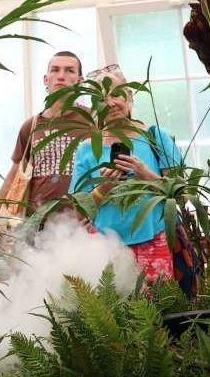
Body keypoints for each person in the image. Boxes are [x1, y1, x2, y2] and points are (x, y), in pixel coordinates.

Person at [70, 65, 182, 282]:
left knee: (156, 310)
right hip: (105, 245)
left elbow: (180, 194)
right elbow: (79, 211)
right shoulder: (87, 147)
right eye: (101, 99)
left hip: (154, 240)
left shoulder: (155, 137)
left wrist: (146, 175)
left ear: (129, 95)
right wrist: (103, 188)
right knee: (112, 313)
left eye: (115, 94)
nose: (110, 103)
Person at [0, 52, 84, 233]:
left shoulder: (93, 121)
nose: (61, 76)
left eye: (69, 70)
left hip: (80, 224)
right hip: (37, 223)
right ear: (45, 80)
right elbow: (16, 174)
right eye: (55, 70)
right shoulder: (31, 125)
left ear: (80, 81)